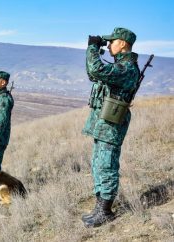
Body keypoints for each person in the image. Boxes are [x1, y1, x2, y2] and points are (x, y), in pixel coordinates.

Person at [81, 27, 140, 227]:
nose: (108, 45)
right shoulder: (119, 66)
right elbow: (93, 73)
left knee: (107, 165)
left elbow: (97, 69)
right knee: (98, 163)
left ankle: (105, 211)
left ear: (122, 43)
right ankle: (99, 207)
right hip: (103, 124)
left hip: (112, 124)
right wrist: (94, 52)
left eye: (111, 41)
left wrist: (92, 48)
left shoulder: (127, 68)